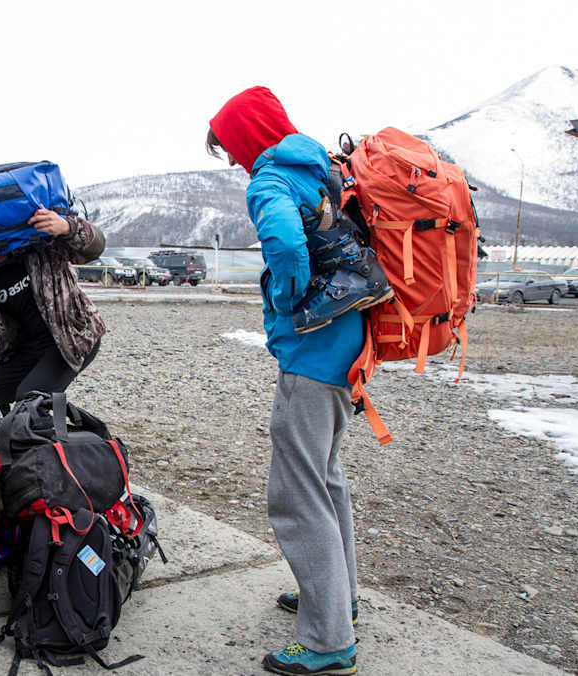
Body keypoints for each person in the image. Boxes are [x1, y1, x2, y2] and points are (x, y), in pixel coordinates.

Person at [207, 87, 361, 676]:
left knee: (296, 493)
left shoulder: (270, 180)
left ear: (247, 137)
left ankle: (328, 639)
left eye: (230, 148)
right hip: (349, 344)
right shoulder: (320, 167)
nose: (233, 162)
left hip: (313, 351)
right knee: (326, 476)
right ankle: (337, 600)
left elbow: (287, 247)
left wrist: (293, 303)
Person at [0, 211, 106, 414]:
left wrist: (68, 227)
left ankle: (45, 444)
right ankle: (4, 442)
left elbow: (96, 247)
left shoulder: (38, 249)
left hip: (73, 338)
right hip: (30, 349)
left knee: (29, 399)